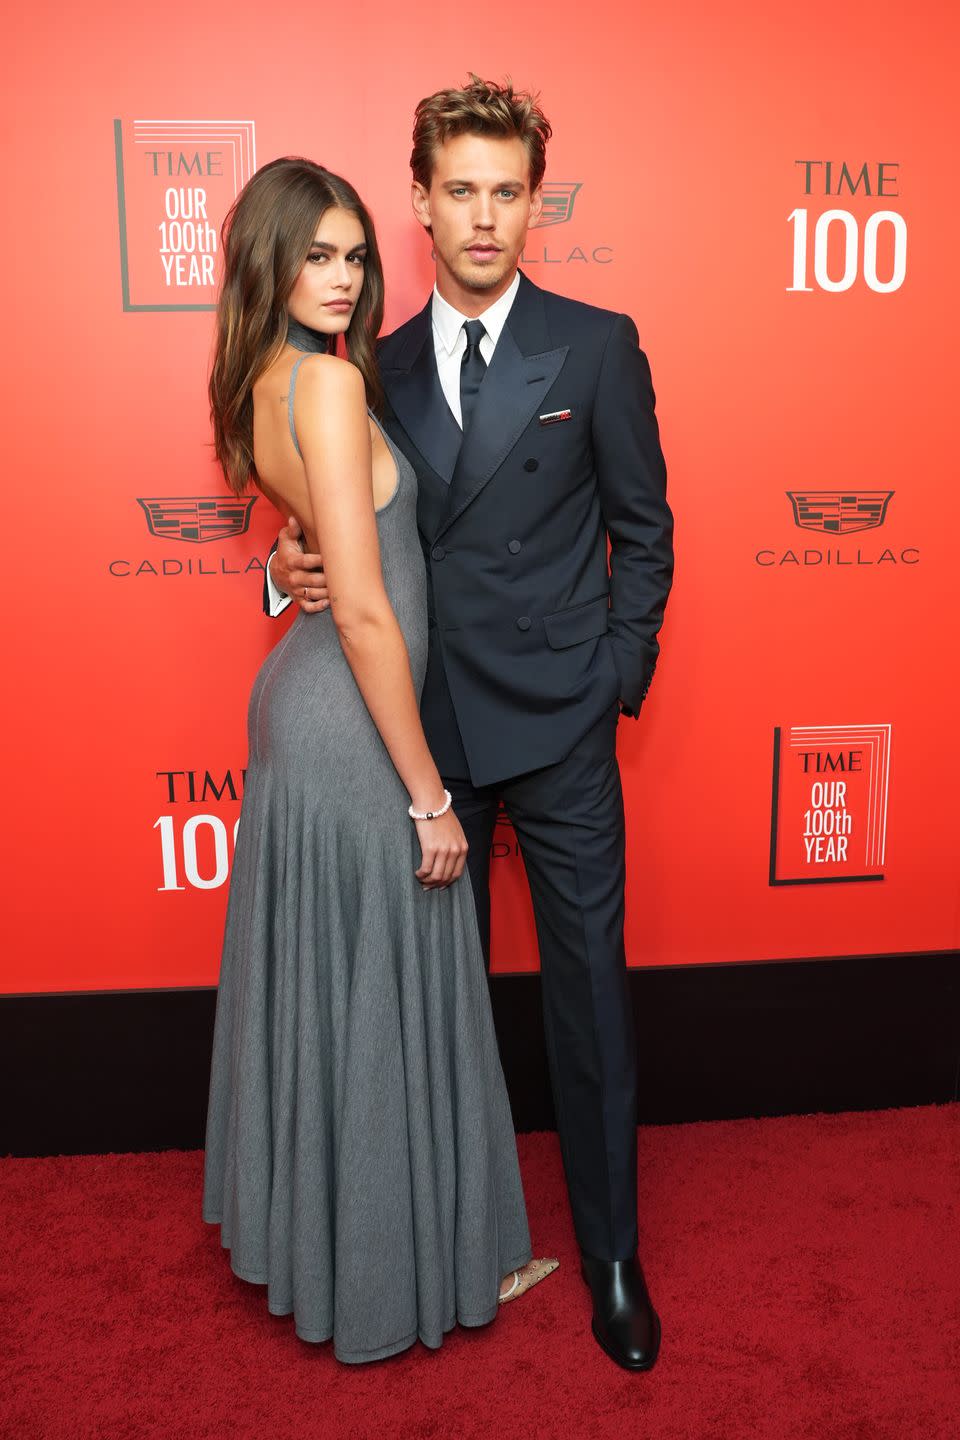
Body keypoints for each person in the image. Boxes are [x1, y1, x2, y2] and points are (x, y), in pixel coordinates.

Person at [267, 78, 674, 1372]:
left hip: (560, 727)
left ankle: (610, 1256)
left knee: (589, 1000)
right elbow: (346, 524)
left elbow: (646, 533)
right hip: (427, 733)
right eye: (461, 190)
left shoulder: (598, 342)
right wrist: (288, 567)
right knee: (428, 1004)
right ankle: (444, 1240)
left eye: (509, 190)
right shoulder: (363, 366)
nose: (485, 216)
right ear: (421, 203)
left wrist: (613, 675)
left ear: (533, 201)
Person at [202, 157, 557, 1366]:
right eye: (318, 256)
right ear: (270, 260)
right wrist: (428, 795)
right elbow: (361, 608)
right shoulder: (335, 389)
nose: (344, 278)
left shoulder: (265, 375)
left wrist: (274, 571)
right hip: (357, 726)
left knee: (343, 989)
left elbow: (308, 554)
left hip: (302, 714)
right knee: (394, 980)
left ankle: (335, 1247)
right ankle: (405, 1273)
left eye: (355, 255)